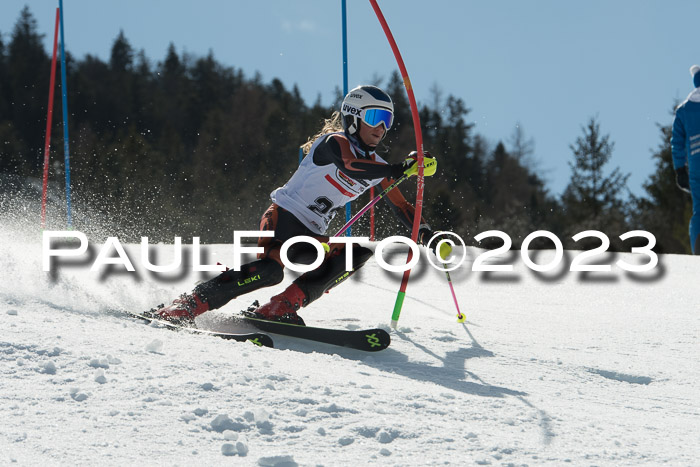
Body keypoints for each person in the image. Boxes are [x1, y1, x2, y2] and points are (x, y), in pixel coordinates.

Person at [148, 85, 445, 326]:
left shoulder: (378, 166)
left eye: (388, 120)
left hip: (311, 235)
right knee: (270, 271)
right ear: (353, 116)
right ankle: (189, 303)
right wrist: (398, 169)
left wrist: (428, 234)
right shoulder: (334, 143)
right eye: (375, 116)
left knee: (354, 254)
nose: (381, 127)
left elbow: (402, 207)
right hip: (283, 218)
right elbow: (351, 167)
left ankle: (280, 307)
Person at [672, 65, 700, 254]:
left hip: (697, 165)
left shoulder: (684, 110)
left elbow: (677, 141)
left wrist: (680, 169)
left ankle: (698, 248)